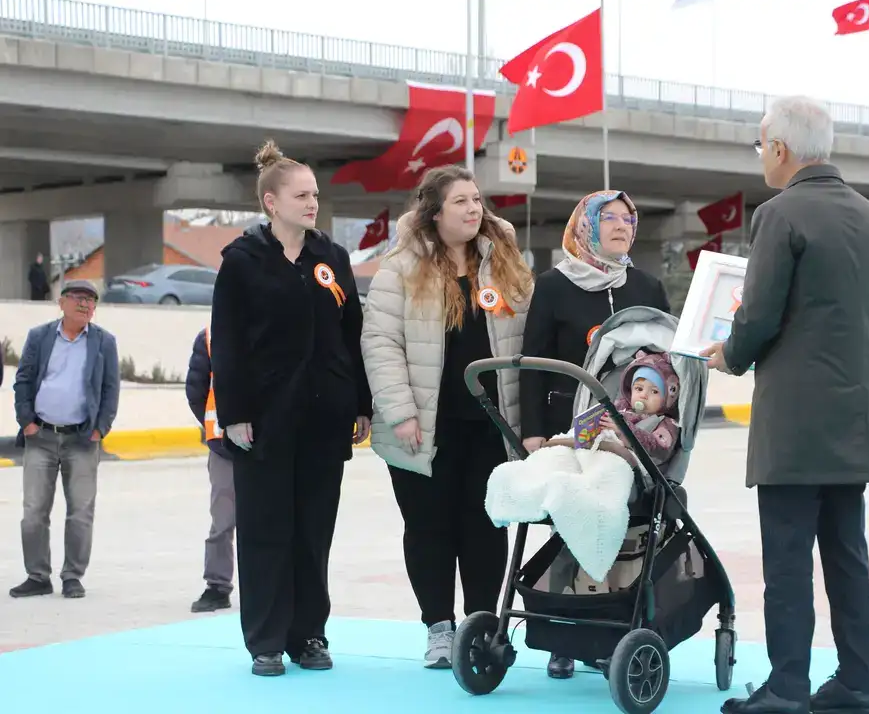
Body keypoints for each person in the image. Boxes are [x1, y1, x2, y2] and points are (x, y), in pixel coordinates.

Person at [701, 96, 869, 714]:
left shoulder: (780, 214)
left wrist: (728, 353)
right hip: (855, 420)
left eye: (762, 145)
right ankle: (859, 684)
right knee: (848, 554)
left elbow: (758, 314)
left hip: (793, 422)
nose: (762, 156)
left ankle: (787, 688)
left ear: (781, 149)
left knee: (787, 559)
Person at [210, 140, 373, 677]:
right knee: (265, 531)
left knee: (313, 532)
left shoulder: (332, 257)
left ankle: (310, 635)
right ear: (270, 203)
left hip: (326, 419)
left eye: (316, 194)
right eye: (301, 195)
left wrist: (361, 402)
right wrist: (234, 413)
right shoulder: (241, 261)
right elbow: (228, 343)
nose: (312, 203)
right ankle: (266, 640)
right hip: (264, 422)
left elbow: (353, 335)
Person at [361, 165, 533, 669]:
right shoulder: (400, 269)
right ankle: (438, 627)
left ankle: (480, 628)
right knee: (428, 527)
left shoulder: (503, 264)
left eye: (477, 199)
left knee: (485, 528)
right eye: (461, 201)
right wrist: (401, 412)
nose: (474, 208)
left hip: (489, 426)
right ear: (434, 214)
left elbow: (526, 341)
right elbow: (380, 343)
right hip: (424, 426)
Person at [518, 189, 670, 679]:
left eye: (630, 217)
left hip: (633, 437)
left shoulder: (647, 287)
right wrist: (533, 434)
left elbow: (672, 365)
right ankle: (564, 632)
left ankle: (610, 630)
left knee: (622, 524)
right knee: (569, 521)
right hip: (571, 431)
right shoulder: (554, 285)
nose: (624, 225)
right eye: (612, 218)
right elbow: (532, 366)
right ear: (587, 226)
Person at [10, 280, 119, 600]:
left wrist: (101, 428)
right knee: (33, 511)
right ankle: (37, 575)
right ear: (61, 303)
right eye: (78, 299)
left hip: (82, 439)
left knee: (81, 512)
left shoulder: (104, 342)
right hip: (40, 436)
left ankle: (73, 575)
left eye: (91, 301)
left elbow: (110, 389)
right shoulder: (40, 336)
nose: (85, 305)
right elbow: (24, 380)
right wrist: (27, 422)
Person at [184, 325, 236, 613]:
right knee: (222, 521)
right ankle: (217, 585)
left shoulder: (273, 324)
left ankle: (267, 586)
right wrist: (213, 427)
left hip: (269, 449)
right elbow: (196, 390)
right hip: (224, 448)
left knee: (269, 523)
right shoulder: (209, 336)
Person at [599, 350, 680, 468]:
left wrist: (625, 429)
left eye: (654, 391)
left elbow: (658, 448)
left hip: (632, 465)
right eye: (639, 389)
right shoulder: (620, 406)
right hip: (602, 449)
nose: (644, 395)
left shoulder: (666, 422)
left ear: (668, 397)